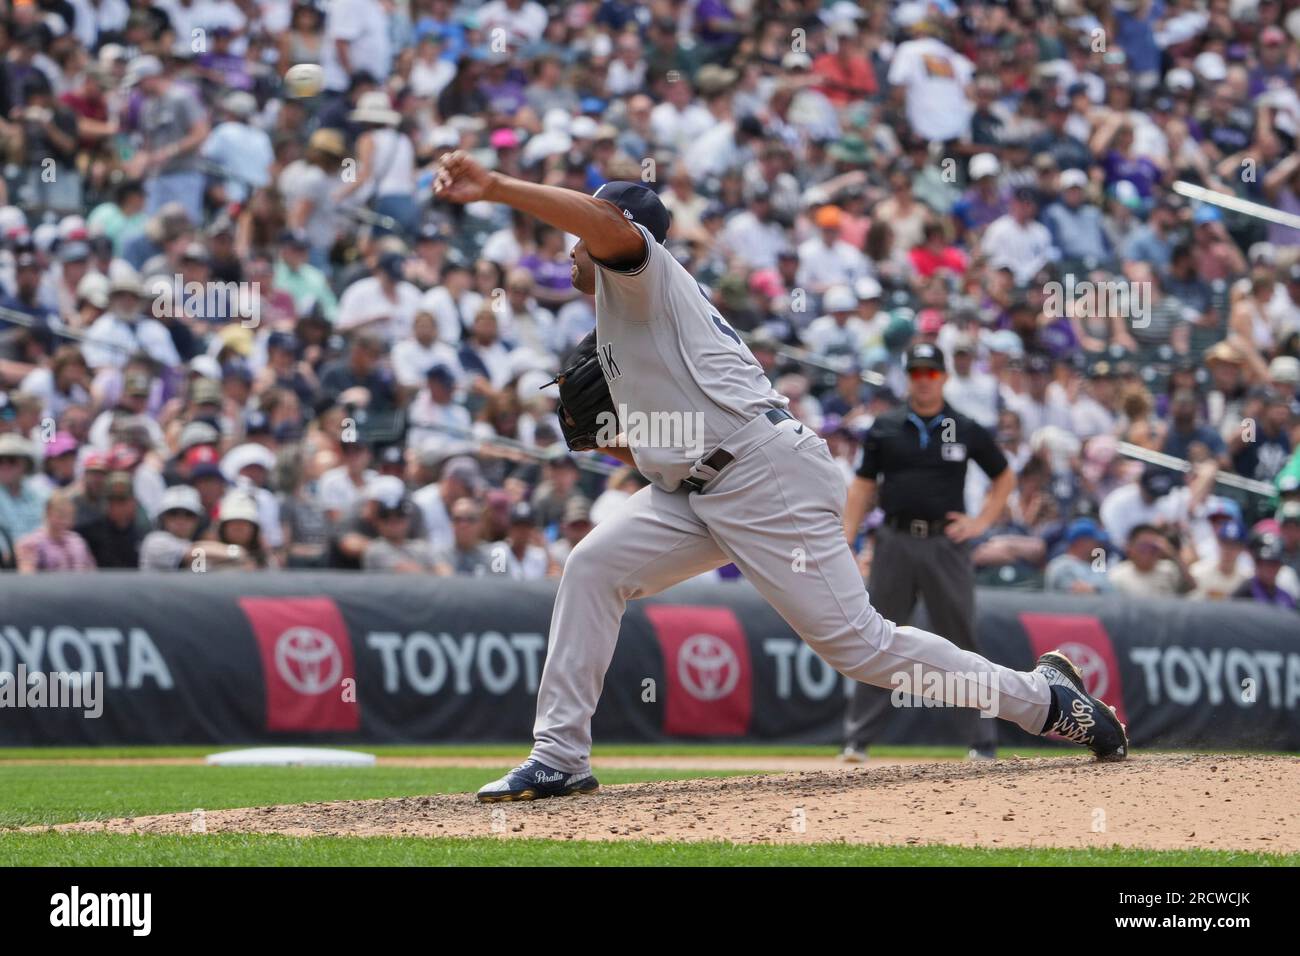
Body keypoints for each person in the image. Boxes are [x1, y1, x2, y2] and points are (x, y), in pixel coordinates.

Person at [433, 151, 1127, 803]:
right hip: (699, 487)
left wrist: (495, 188)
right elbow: (667, 448)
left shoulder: (641, 275)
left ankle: (1045, 701)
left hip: (765, 476)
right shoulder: (626, 321)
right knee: (593, 567)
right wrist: (618, 448)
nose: (572, 251)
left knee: (861, 647)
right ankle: (560, 757)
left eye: (579, 239)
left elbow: (607, 225)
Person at [839, 342, 1016, 762]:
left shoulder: (965, 426)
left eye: (931, 373)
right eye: (916, 372)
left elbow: (1004, 475)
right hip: (894, 540)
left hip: (945, 543)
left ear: (943, 377)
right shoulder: (885, 426)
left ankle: (982, 743)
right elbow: (864, 484)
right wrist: (847, 535)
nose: (923, 380)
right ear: (908, 377)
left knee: (960, 641)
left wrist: (981, 522)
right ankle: (857, 742)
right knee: (878, 639)